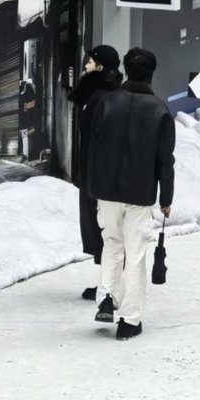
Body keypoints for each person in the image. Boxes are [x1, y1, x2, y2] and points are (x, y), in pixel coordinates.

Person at [87, 47, 175, 340]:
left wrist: (93, 185)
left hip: (106, 191)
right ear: (151, 73)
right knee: (135, 255)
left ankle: (106, 298)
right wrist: (166, 198)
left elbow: (93, 146)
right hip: (139, 194)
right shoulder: (160, 110)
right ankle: (129, 320)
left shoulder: (107, 102)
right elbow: (165, 160)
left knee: (111, 243)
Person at [69, 45, 121, 299]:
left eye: (90, 61)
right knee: (96, 223)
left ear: (100, 66)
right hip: (91, 168)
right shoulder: (94, 93)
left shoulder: (101, 97)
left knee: (102, 225)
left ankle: (110, 284)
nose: (85, 63)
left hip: (98, 171)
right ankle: (107, 281)